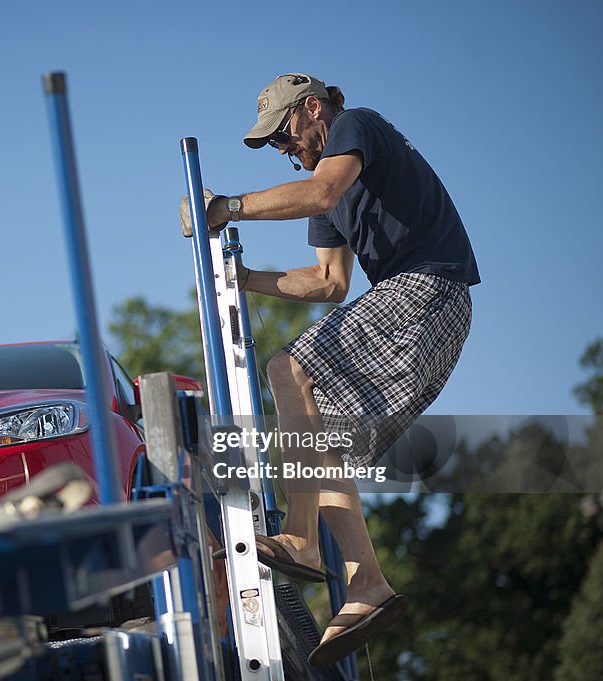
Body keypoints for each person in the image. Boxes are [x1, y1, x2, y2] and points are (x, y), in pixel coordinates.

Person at [180, 73, 479, 666]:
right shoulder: (324, 189)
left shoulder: (354, 126)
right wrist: (243, 280)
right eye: (275, 148)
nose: (285, 152)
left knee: (289, 368)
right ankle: (366, 584)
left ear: (312, 108)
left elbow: (319, 193)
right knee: (320, 442)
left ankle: (299, 535)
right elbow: (329, 283)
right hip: (425, 306)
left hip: (428, 289)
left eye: (285, 136)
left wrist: (227, 207)